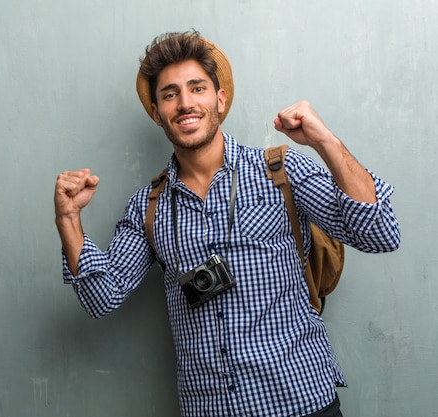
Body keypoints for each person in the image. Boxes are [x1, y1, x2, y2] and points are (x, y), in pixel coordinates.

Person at [54, 30, 400, 417]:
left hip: (302, 401)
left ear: (219, 99)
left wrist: (324, 142)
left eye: (197, 88)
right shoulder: (147, 207)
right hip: (210, 409)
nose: (185, 103)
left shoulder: (280, 171)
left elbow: (380, 234)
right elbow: (102, 298)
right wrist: (68, 220)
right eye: (170, 94)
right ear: (157, 113)